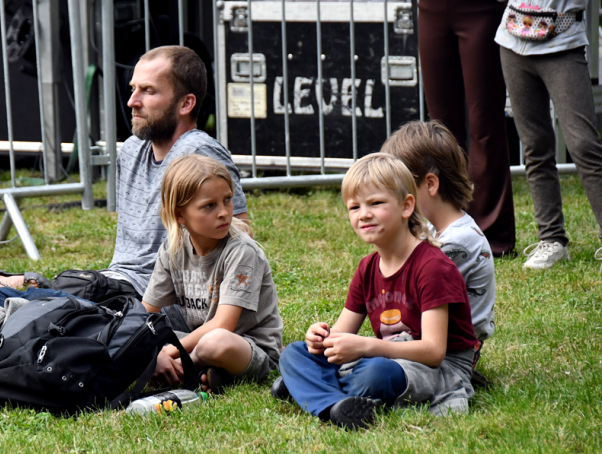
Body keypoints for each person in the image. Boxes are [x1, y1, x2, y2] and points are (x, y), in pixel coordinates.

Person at [0, 46, 248, 355]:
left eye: (148, 91)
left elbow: (236, 236)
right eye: (133, 89)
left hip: (142, 309)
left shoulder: (198, 154)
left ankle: (3, 336)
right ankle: (11, 334)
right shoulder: (131, 151)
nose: (132, 101)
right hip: (105, 291)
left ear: (186, 103)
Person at [274, 153, 477, 430]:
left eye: (376, 203)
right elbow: (340, 335)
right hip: (386, 354)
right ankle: (334, 405)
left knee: (375, 373)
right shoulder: (368, 267)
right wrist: (320, 340)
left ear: (407, 206)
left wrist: (366, 346)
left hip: (434, 368)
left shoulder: (433, 267)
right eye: (354, 207)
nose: (364, 214)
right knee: (294, 354)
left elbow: (433, 352)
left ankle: (311, 390)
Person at [141, 155, 282, 394]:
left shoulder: (242, 251)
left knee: (214, 342)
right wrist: (152, 349)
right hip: (195, 338)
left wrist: (168, 353)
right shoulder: (172, 248)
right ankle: (207, 373)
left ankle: (184, 369)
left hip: (247, 348)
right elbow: (146, 313)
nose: (224, 213)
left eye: (227, 200)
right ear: (179, 215)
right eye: (209, 205)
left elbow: (223, 325)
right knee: (144, 335)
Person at [381, 121, 495, 373]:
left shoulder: (457, 242)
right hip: (427, 333)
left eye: (399, 188)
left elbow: (411, 291)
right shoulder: (434, 229)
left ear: (430, 184)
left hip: (452, 348)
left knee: (376, 362)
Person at [496, 0, 602, 270]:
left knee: (584, 145)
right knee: (535, 146)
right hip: (512, 40)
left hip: (563, 44)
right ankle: (552, 239)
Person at [418, 0, 517, 257]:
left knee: (485, 125)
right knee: (440, 129)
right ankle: (444, 226)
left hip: (481, 10)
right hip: (431, 9)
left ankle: (492, 236)